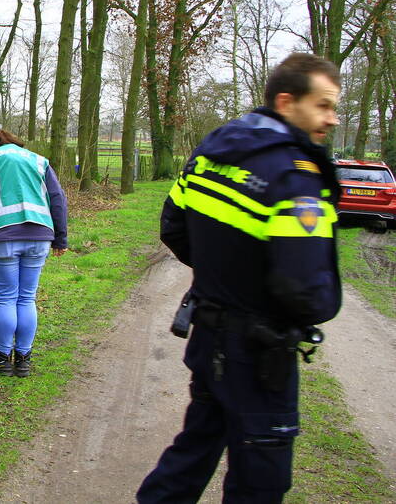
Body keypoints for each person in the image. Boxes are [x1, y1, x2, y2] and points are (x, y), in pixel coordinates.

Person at [136, 53, 343, 503]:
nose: (333, 118)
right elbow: (305, 290)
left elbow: (173, 225)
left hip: (209, 334)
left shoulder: (213, 150)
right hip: (260, 353)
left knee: (192, 452)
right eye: (324, 105)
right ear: (287, 102)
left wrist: (219, 274)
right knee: (260, 480)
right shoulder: (293, 175)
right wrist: (320, 305)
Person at [0, 129, 68, 378]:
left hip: (2, 237)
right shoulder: (39, 160)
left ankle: (1, 359)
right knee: (27, 298)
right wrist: (60, 239)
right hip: (40, 235)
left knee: (7, 299)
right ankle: (23, 360)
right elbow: (58, 198)